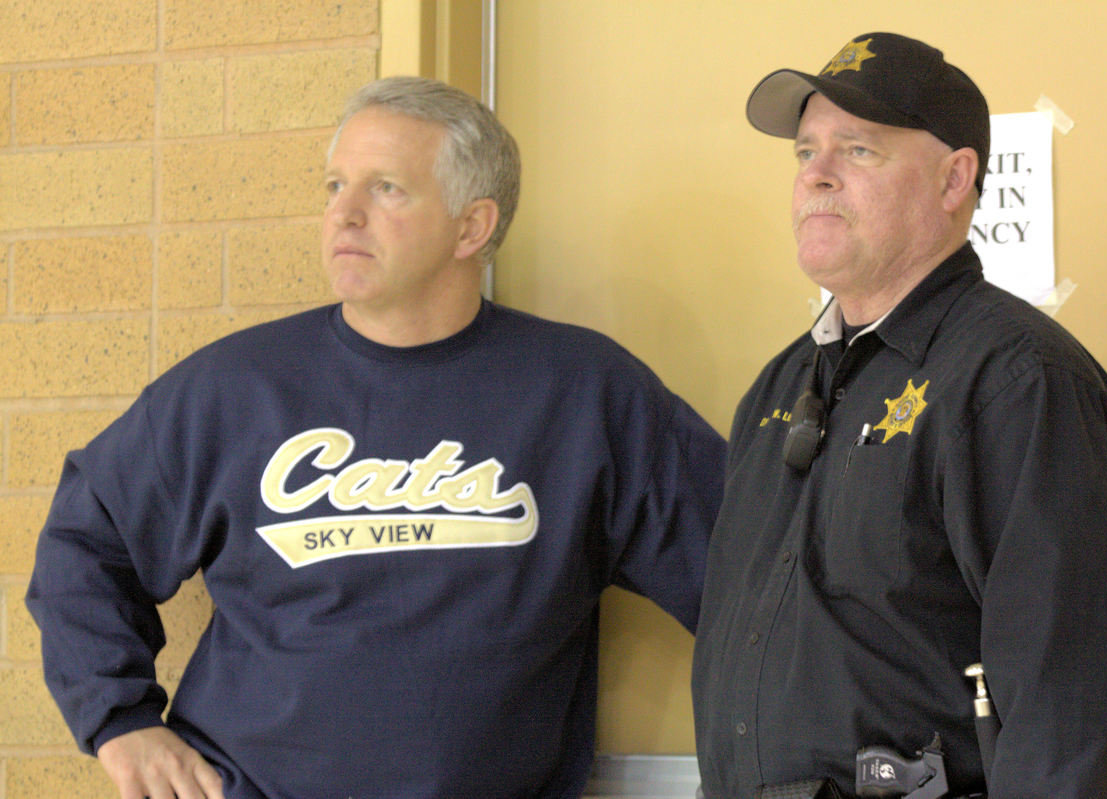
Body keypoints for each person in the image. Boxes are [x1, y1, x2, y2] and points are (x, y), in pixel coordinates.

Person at [26, 76, 726, 799]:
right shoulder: (233, 389)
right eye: (335, 185)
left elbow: (751, 582)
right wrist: (121, 719)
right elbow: (88, 538)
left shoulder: (585, 393)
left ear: (472, 226)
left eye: (386, 188)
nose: (344, 214)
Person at [691, 32, 1107, 798]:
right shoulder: (777, 388)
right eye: (805, 153)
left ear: (953, 178)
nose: (817, 178)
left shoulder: (1017, 380)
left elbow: (1070, 704)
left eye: (858, 151)